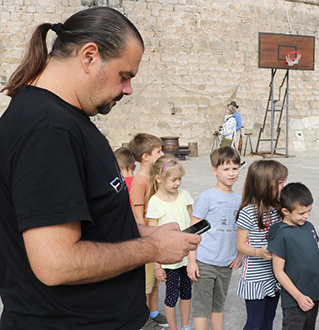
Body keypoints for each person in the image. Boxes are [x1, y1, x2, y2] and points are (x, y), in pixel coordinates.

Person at [0, 7, 200, 330]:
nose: (128, 89)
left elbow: (90, 228)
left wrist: (148, 233)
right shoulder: (46, 130)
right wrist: (151, 248)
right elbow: (56, 263)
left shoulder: (65, 119)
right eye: (125, 76)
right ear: (89, 56)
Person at [188, 147, 244, 330]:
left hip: (226, 263)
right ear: (214, 171)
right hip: (205, 261)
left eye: (235, 168)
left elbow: (241, 231)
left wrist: (239, 255)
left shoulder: (240, 199)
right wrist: (191, 261)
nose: (231, 173)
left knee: (219, 306)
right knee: (202, 308)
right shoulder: (206, 197)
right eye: (226, 169)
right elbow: (192, 232)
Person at [235, 160, 288, 330]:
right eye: (280, 182)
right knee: (255, 322)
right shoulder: (248, 212)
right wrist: (259, 252)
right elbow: (240, 245)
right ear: (264, 185)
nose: (284, 185)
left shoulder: (280, 208)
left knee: (268, 320)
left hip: (274, 274)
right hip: (255, 278)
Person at [268, 183, 319, 330]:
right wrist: (298, 296)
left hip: (313, 297)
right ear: (285, 211)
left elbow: (313, 261)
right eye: (301, 213)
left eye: (309, 211)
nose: (306, 216)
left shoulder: (309, 227)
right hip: (295, 301)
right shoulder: (281, 234)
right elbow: (278, 271)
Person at [146, 155, 195, 330]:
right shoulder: (154, 202)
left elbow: (192, 226)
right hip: (168, 261)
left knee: (187, 293)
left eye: (180, 179)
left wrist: (192, 260)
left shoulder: (185, 196)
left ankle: (186, 325)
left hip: (186, 257)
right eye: (173, 179)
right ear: (158, 179)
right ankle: (173, 328)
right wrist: (157, 266)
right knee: (171, 296)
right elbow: (152, 238)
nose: (178, 183)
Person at [128, 133, 168, 329]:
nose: (162, 154)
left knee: (155, 282)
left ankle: (153, 312)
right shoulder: (139, 182)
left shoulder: (154, 175)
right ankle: (142, 318)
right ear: (145, 156)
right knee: (147, 281)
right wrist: (149, 236)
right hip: (147, 237)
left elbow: (169, 169)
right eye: (158, 151)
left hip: (156, 233)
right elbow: (137, 214)